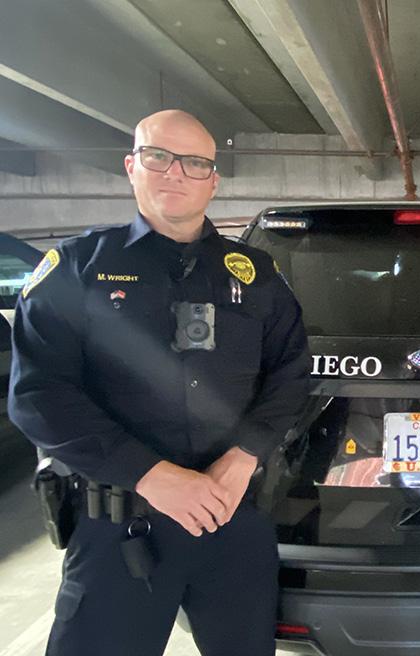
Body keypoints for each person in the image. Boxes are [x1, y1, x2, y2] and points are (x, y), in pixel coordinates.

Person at [9, 109, 310, 656]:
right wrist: (150, 475)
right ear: (132, 166)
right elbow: (38, 395)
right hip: (120, 524)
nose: (175, 172)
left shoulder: (255, 275)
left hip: (231, 520)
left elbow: (290, 374)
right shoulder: (77, 268)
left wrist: (245, 455)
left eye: (194, 162)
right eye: (158, 156)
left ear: (213, 180)